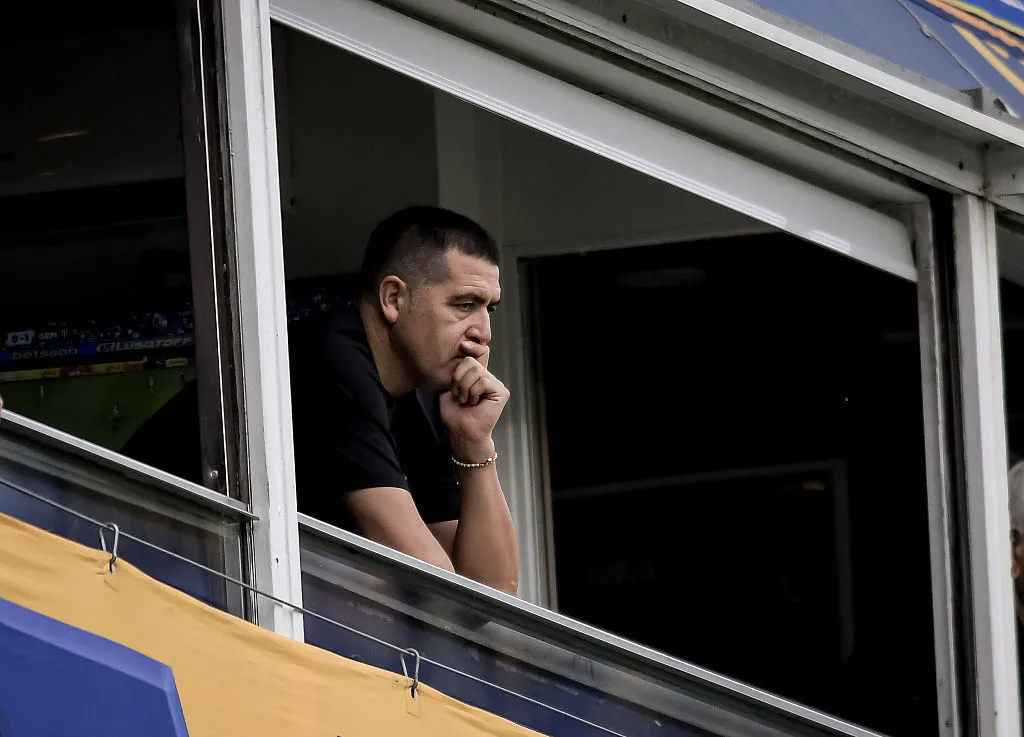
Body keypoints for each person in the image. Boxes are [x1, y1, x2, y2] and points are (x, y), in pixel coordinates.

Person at [289, 206, 518, 594]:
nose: (484, 332)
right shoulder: (330, 360)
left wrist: (474, 440)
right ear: (393, 298)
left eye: (488, 309)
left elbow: (493, 595)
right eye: (464, 305)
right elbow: (433, 586)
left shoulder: (426, 391)